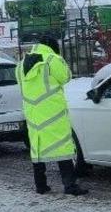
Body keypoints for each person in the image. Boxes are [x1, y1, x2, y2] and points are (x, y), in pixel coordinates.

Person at [15, 37, 87, 196]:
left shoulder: (21, 65)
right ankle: (70, 185)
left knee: (37, 149)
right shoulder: (52, 59)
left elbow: (21, 84)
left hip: (33, 115)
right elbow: (66, 77)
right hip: (54, 114)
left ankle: (40, 185)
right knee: (63, 147)